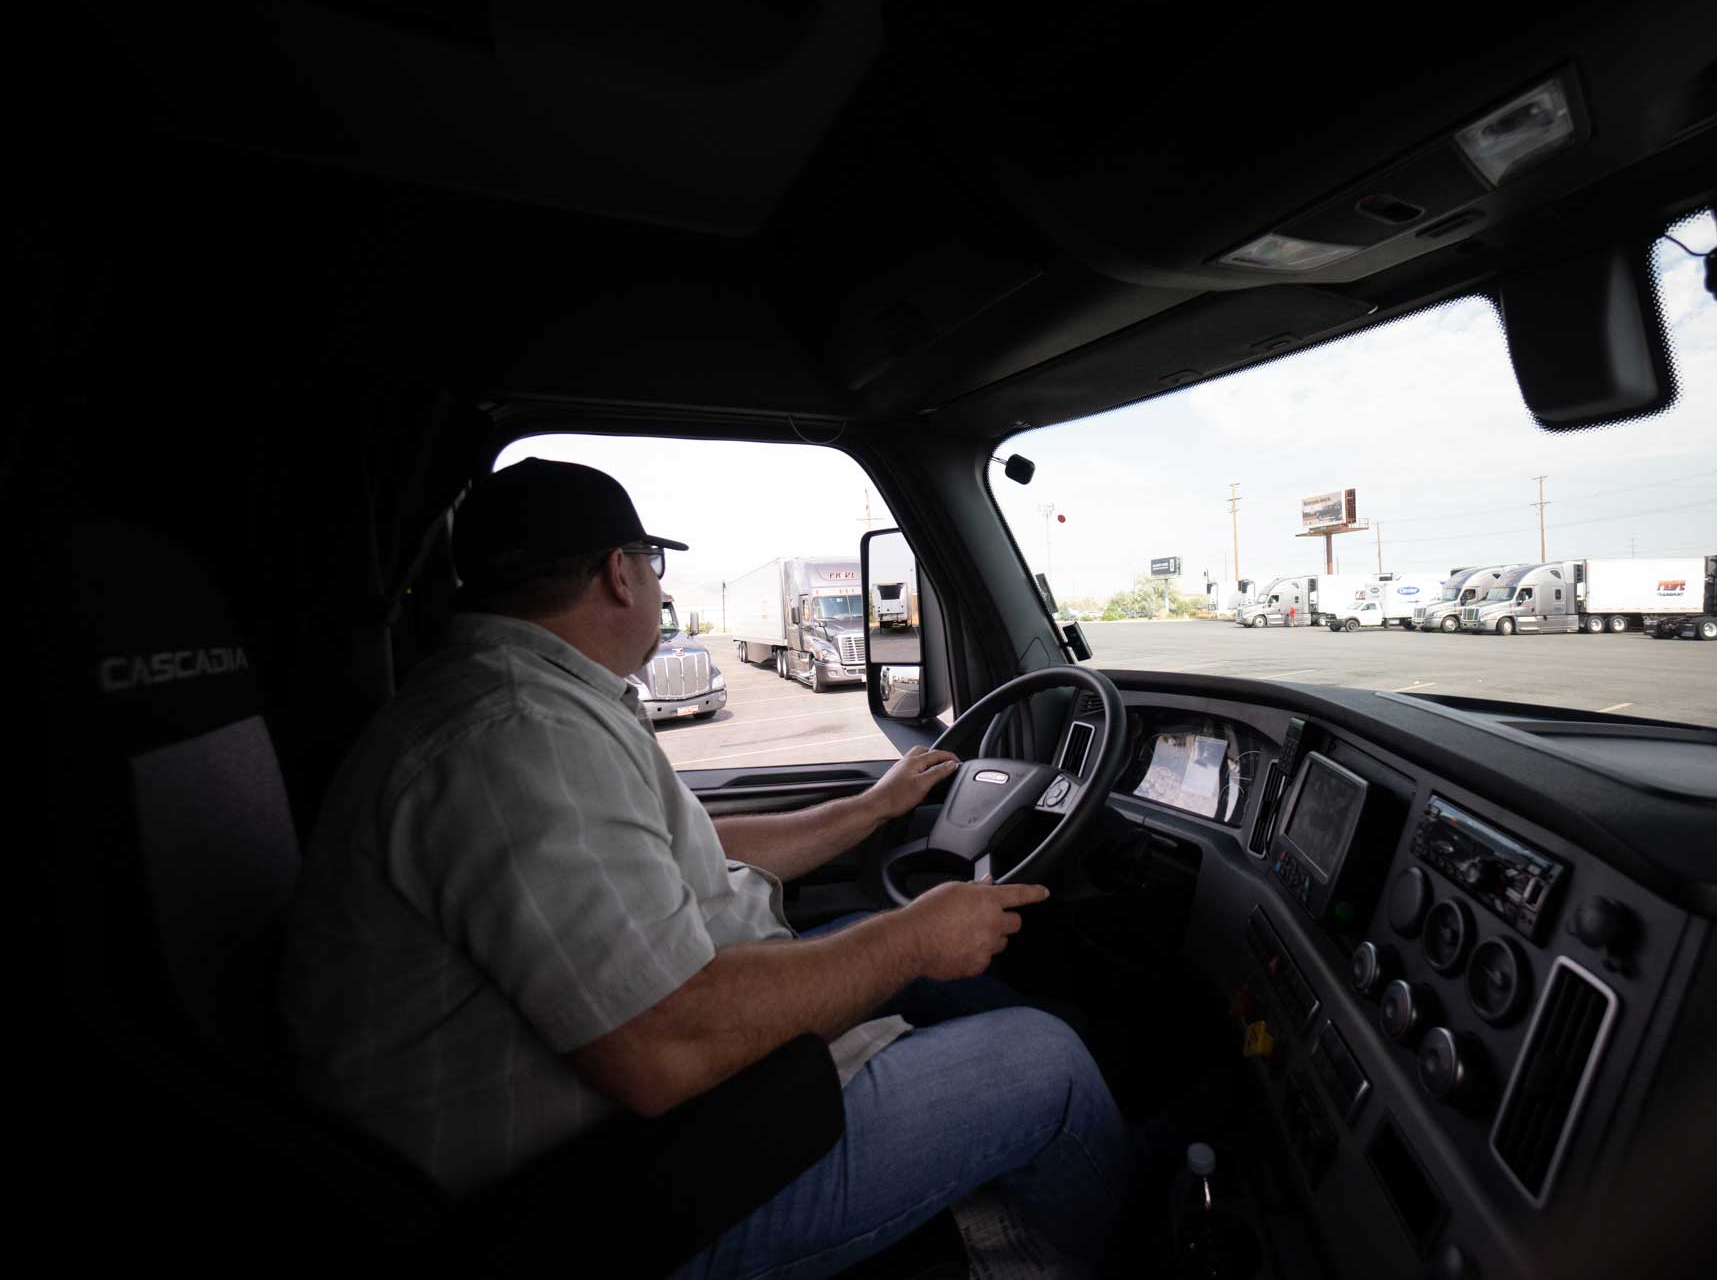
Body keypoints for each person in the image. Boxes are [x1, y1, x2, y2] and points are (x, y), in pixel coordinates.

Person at [278, 457, 1133, 1277]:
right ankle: (1053, 1241)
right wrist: (909, 940)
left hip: (631, 1125)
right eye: (653, 566)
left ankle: (1078, 1140)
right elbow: (667, 1045)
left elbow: (689, 847)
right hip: (589, 1203)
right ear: (621, 571)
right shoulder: (516, 735)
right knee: (1046, 1063)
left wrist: (873, 808)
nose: (659, 586)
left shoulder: (534, 700)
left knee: (923, 969)